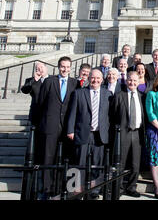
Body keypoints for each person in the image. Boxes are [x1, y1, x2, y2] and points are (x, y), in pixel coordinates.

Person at [67, 69, 113, 199]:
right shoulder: (79, 93)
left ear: (102, 80)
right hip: (83, 133)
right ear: (89, 78)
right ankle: (75, 190)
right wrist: (70, 130)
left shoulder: (107, 94)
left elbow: (110, 116)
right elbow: (72, 114)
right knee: (78, 163)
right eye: (93, 78)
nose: (95, 80)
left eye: (98, 78)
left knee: (97, 164)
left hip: (100, 135)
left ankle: (94, 191)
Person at [37, 56, 77, 198]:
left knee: (67, 157)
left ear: (71, 68)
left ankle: (63, 187)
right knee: (48, 157)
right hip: (50, 125)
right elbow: (40, 103)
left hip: (67, 127)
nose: (65, 69)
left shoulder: (74, 83)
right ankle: (47, 189)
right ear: (58, 67)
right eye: (62, 66)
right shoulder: (49, 81)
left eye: (67, 67)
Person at [110, 71, 146, 198]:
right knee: (120, 163)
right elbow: (113, 115)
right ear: (126, 81)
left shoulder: (142, 96)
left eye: (135, 81)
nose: (132, 82)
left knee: (135, 164)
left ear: (138, 82)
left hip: (137, 133)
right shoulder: (119, 95)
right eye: (130, 80)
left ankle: (131, 187)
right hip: (123, 134)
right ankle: (118, 188)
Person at [21, 61, 49, 126]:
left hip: (49, 113)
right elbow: (25, 90)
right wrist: (34, 80)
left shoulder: (54, 79)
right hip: (36, 113)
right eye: (37, 69)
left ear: (46, 68)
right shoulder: (30, 80)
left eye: (41, 67)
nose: (40, 70)